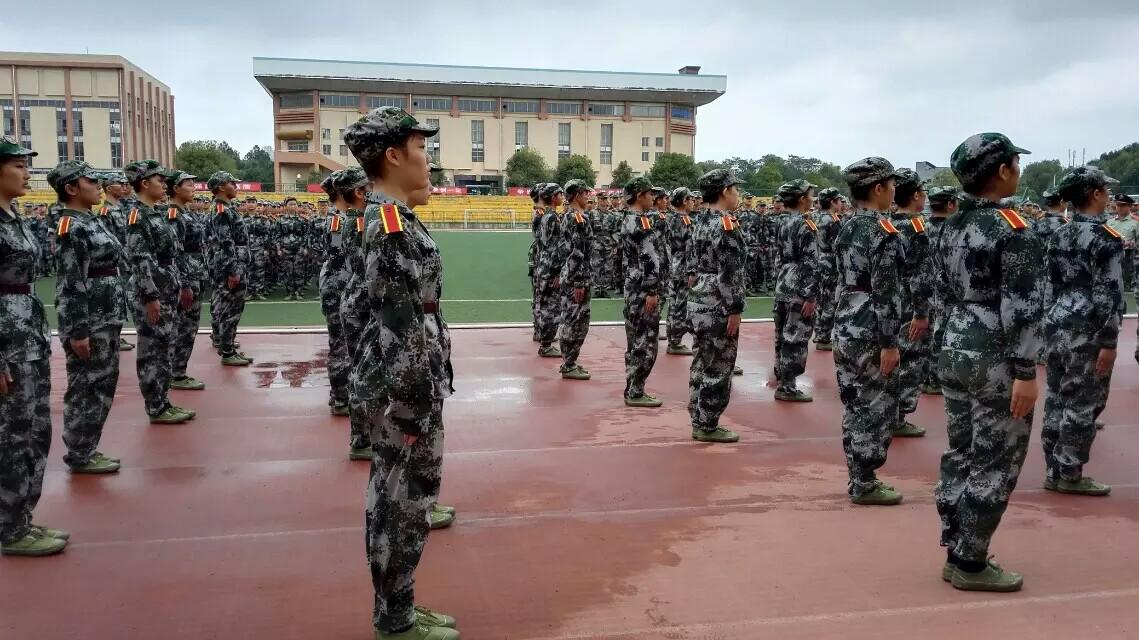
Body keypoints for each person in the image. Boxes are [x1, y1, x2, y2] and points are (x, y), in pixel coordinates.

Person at [343, 107, 459, 640]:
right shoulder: (389, 225)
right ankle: (394, 617)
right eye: (420, 149)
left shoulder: (394, 217)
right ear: (392, 155)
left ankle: (399, 606)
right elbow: (398, 322)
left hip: (406, 382)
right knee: (400, 500)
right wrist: (414, 401)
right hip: (404, 389)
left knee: (406, 496)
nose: (428, 160)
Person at [932, 133, 1042, 592]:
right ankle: (971, 561)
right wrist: (1026, 371)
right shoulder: (1014, 230)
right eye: (1015, 162)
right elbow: (1022, 307)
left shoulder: (950, 225)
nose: (1018, 170)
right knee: (996, 459)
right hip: (995, 352)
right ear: (1002, 171)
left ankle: (957, 542)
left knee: (962, 450)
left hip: (956, 343)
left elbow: (940, 291)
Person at [0, 137, 69, 557]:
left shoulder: (14, 215)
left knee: (33, 430)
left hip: (27, 334)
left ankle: (21, 517)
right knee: (10, 434)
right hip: (7, 341)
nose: (27, 172)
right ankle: (9, 527)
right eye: (18, 165)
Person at [1041, 166, 1124, 497]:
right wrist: (1110, 341)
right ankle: (1070, 473)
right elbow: (1109, 294)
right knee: (1084, 399)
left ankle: (1053, 467)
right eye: (1104, 190)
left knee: (1057, 396)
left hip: (1058, 319)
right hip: (1088, 325)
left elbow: (1051, 283)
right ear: (1096, 195)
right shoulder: (1106, 239)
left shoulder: (1059, 233)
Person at [833, 158, 905, 505]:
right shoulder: (883, 232)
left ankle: (858, 476)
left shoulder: (847, 226)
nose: (895, 191)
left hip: (846, 320)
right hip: (870, 328)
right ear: (878, 189)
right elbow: (886, 292)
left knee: (854, 403)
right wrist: (890, 342)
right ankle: (864, 480)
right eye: (891, 185)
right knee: (875, 405)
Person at [50, 160, 127, 476]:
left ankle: (88, 448)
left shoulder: (91, 220)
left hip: (105, 316)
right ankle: (80, 452)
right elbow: (70, 281)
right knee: (86, 386)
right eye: (90, 181)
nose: (98, 185)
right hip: (89, 320)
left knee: (103, 383)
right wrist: (77, 329)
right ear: (71, 188)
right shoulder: (71, 226)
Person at [124, 160, 196, 425]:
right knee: (152, 350)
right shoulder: (138, 215)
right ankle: (156, 406)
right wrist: (150, 296)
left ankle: (163, 401)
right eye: (159, 180)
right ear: (144, 183)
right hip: (152, 292)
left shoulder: (156, 212)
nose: (164, 184)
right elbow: (140, 259)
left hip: (167, 288)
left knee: (164, 347)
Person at [687, 170, 746, 443]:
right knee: (720, 364)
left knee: (702, 358)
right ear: (724, 191)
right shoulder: (726, 225)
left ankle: (697, 414)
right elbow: (730, 272)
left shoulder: (699, 220)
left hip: (699, 296)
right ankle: (708, 423)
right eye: (735, 189)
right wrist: (735, 308)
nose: (738, 195)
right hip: (718, 300)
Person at [887, 168, 932, 438]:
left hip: (888, 300)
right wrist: (922, 312)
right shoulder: (917, 227)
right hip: (909, 303)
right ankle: (899, 415)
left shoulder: (887, 223)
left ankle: (888, 412)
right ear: (915, 195)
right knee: (912, 359)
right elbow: (921, 275)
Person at [618, 176, 665, 407]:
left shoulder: (627, 219)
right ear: (639, 196)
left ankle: (633, 387)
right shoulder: (642, 222)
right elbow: (649, 258)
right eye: (649, 193)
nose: (653, 198)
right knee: (645, 341)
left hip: (632, 285)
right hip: (643, 288)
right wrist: (653, 290)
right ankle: (636, 390)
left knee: (635, 337)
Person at [772, 180, 818, 402]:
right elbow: (811, 262)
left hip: (784, 282)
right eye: (810, 195)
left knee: (782, 335)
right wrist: (810, 295)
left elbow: (779, 257)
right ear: (801, 199)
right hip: (799, 285)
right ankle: (788, 386)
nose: (813, 199)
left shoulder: (783, 222)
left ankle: (781, 376)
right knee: (796, 337)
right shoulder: (806, 225)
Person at [166, 171, 209, 390]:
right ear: (175, 188)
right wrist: (183, 284)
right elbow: (176, 252)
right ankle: (176, 373)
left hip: (195, 274)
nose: (194, 187)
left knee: (189, 327)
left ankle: (178, 370)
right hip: (186, 278)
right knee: (182, 326)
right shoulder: (174, 214)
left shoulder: (185, 212)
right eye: (189, 184)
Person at [207, 171, 253, 367]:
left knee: (231, 308)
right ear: (220, 187)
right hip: (230, 267)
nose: (235, 186)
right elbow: (226, 243)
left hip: (234, 264)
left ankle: (229, 346)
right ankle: (227, 351)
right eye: (231, 183)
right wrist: (233, 271)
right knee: (230, 310)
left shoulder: (227, 208)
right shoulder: (221, 210)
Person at [319, 171, 356, 416]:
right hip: (337, 288)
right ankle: (341, 398)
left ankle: (342, 394)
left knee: (343, 342)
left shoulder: (343, 217)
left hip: (340, 285)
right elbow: (338, 259)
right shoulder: (337, 220)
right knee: (340, 344)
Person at [922, 186, 960, 395]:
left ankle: (926, 374)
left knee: (927, 332)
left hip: (924, 286)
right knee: (942, 331)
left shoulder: (922, 226)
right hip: (947, 288)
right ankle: (935, 378)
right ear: (950, 204)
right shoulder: (954, 229)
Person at [558, 179, 594, 380]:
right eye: (585, 193)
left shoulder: (573, 216)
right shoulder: (577, 219)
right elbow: (577, 253)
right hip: (576, 278)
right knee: (575, 321)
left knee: (577, 321)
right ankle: (568, 363)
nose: (588, 197)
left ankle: (570, 361)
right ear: (577, 195)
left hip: (573, 275)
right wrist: (579, 282)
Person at [98, 171, 136, 351]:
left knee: (122, 300)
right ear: (108, 188)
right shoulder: (106, 211)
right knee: (114, 299)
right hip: (116, 262)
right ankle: (112, 336)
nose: (123, 187)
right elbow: (108, 241)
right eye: (119, 184)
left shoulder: (122, 208)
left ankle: (117, 335)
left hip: (126, 260)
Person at [533, 183, 566, 358]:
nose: (562, 197)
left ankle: (545, 342)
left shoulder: (544, 216)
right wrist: (556, 272)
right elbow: (555, 247)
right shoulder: (553, 217)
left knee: (546, 305)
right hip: (551, 267)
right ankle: (546, 344)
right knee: (552, 308)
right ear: (553, 197)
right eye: (560, 194)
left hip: (543, 264)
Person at [665, 188, 696, 356]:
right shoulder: (686, 221)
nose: (693, 202)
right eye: (690, 199)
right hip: (683, 267)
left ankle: (672, 337)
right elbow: (691, 248)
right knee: (681, 305)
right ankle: (675, 341)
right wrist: (692, 271)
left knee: (673, 304)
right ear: (684, 201)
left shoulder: (669, 219)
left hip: (672, 265)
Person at [812, 188, 843, 350]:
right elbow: (838, 246)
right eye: (839, 201)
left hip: (816, 261)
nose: (841, 204)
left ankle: (818, 332)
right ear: (832, 202)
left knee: (820, 300)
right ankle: (824, 337)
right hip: (830, 263)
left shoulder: (813, 217)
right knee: (830, 301)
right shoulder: (833, 221)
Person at [1105, 194, 1136, 290]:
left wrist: (1131, 244)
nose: (1119, 208)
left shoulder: (1136, 222)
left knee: (1127, 287)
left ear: (1130, 206)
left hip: (1128, 259)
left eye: (1123, 205)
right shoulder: (1109, 222)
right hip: (1110, 258)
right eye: (1118, 205)